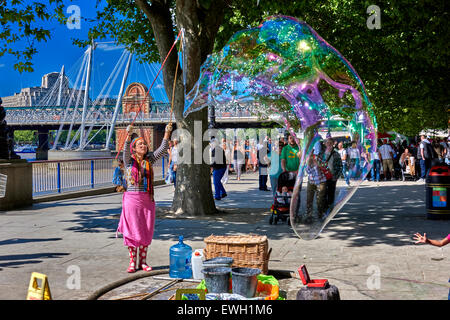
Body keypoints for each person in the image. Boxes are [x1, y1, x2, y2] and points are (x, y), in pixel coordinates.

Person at [117, 123, 172, 273]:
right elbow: (125, 150)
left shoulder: (149, 160)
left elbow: (162, 150)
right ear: (134, 148)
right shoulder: (129, 161)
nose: (144, 146)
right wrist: (129, 135)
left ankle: (143, 262)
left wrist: (167, 133)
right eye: (140, 144)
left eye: (145, 144)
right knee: (132, 230)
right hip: (132, 200)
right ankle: (132, 262)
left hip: (147, 199)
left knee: (145, 230)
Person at [321, 138, 342, 210]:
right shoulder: (321, 153)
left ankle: (330, 210)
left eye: (330, 142)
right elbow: (318, 164)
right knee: (323, 194)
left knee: (331, 194)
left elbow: (340, 166)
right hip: (323, 177)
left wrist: (336, 176)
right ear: (325, 143)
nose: (329, 144)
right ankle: (323, 210)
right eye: (327, 142)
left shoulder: (336, 154)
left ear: (333, 144)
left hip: (332, 177)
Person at [305, 155, 327, 223]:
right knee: (309, 199)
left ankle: (320, 214)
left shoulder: (318, 158)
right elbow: (308, 171)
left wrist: (317, 165)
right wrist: (308, 164)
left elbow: (324, 167)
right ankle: (309, 215)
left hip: (321, 181)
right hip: (311, 181)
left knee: (320, 199)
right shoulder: (307, 159)